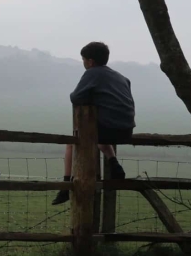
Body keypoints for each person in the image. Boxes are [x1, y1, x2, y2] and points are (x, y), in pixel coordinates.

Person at [52, 42, 135, 205]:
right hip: (126, 129)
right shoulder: (122, 77)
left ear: (90, 61)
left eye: (83, 60)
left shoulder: (93, 73)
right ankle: (113, 161)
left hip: (107, 128)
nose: (83, 63)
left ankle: (66, 185)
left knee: (73, 141)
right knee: (98, 136)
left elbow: (76, 97)